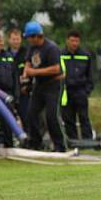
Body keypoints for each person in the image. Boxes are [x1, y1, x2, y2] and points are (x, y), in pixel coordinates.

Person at [22, 21, 66, 152]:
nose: (28, 40)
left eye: (29, 37)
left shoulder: (51, 48)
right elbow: (28, 63)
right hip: (39, 85)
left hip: (53, 84)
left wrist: (34, 72)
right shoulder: (32, 48)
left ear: (36, 36)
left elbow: (56, 69)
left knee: (51, 116)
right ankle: (35, 142)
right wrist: (26, 75)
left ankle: (60, 145)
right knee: (31, 114)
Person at [60, 30, 94, 141]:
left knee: (84, 117)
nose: (74, 43)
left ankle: (87, 141)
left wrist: (87, 90)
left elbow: (90, 75)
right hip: (66, 92)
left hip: (81, 91)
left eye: (77, 41)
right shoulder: (60, 55)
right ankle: (72, 141)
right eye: (72, 41)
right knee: (68, 118)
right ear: (67, 41)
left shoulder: (85, 55)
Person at [0, 31, 17, 147]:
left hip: (7, 94)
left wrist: (16, 95)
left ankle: (9, 145)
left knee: (8, 120)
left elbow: (15, 76)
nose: (1, 43)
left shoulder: (9, 56)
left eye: (1, 40)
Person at [7, 28, 29, 126]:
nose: (16, 41)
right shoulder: (5, 54)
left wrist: (27, 86)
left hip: (24, 91)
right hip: (9, 92)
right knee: (9, 118)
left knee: (26, 117)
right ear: (9, 40)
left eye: (18, 39)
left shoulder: (27, 53)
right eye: (13, 39)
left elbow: (30, 71)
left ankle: (29, 139)